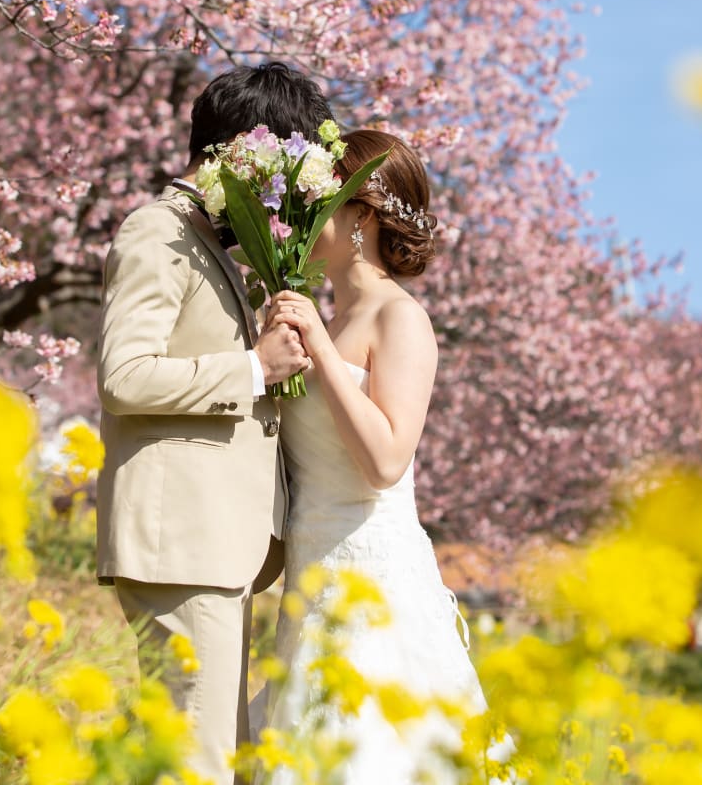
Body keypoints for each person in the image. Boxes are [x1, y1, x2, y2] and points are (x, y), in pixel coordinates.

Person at [95, 62, 334, 785]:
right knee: (197, 762)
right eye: (284, 167)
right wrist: (252, 369)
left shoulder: (205, 239)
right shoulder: (155, 230)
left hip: (214, 547)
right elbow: (122, 377)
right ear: (243, 151)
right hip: (182, 543)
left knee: (211, 754)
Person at [257, 129, 495, 781]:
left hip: (375, 580)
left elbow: (387, 460)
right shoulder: (322, 323)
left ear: (361, 213)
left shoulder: (401, 319)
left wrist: (325, 355)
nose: (304, 217)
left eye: (320, 200)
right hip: (311, 573)